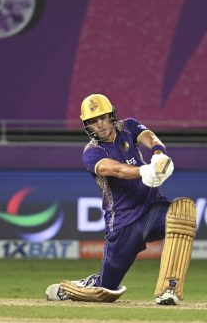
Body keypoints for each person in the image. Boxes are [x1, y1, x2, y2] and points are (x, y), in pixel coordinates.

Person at [45, 94, 196, 305]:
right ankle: (75, 288)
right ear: (86, 125)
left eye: (103, 117)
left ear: (112, 115)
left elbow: (150, 136)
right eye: (93, 121)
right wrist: (145, 170)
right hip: (123, 223)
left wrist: (159, 153)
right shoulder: (91, 153)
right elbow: (116, 170)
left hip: (151, 208)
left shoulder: (128, 127)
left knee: (182, 214)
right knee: (106, 290)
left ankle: (169, 288)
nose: (100, 124)